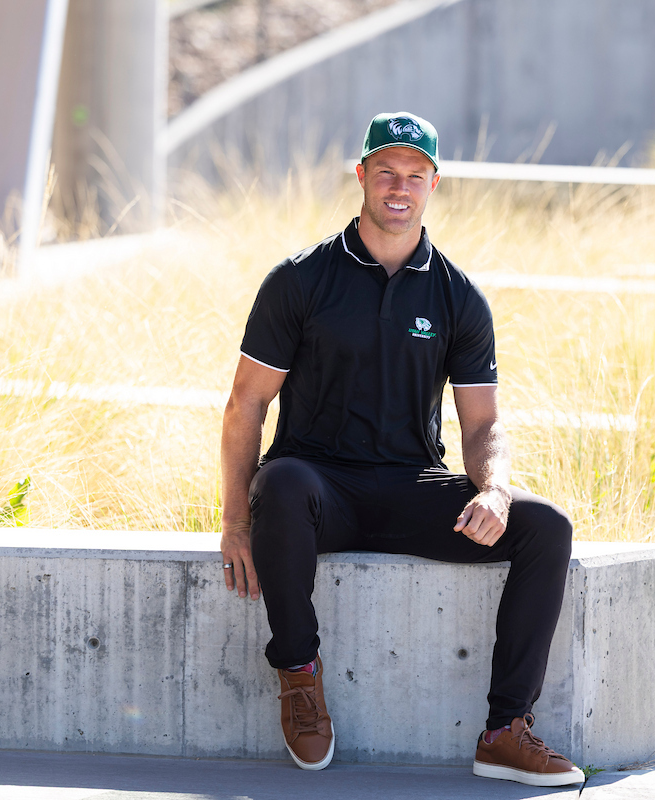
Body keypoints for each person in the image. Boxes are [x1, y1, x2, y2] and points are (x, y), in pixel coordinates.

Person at [218, 111, 583, 787]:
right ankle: (298, 675)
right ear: (361, 176)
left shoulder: (457, 295)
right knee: (285, 481)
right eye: (385, 170)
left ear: (433, 185)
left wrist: (496, 489)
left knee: (547, 528)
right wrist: (236, 522)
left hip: (413, 487)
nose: (399, 186)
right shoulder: (301, 280)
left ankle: (505, 731)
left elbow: (482, 425)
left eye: (415, 174)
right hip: (318, 493)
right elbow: (247, 405)